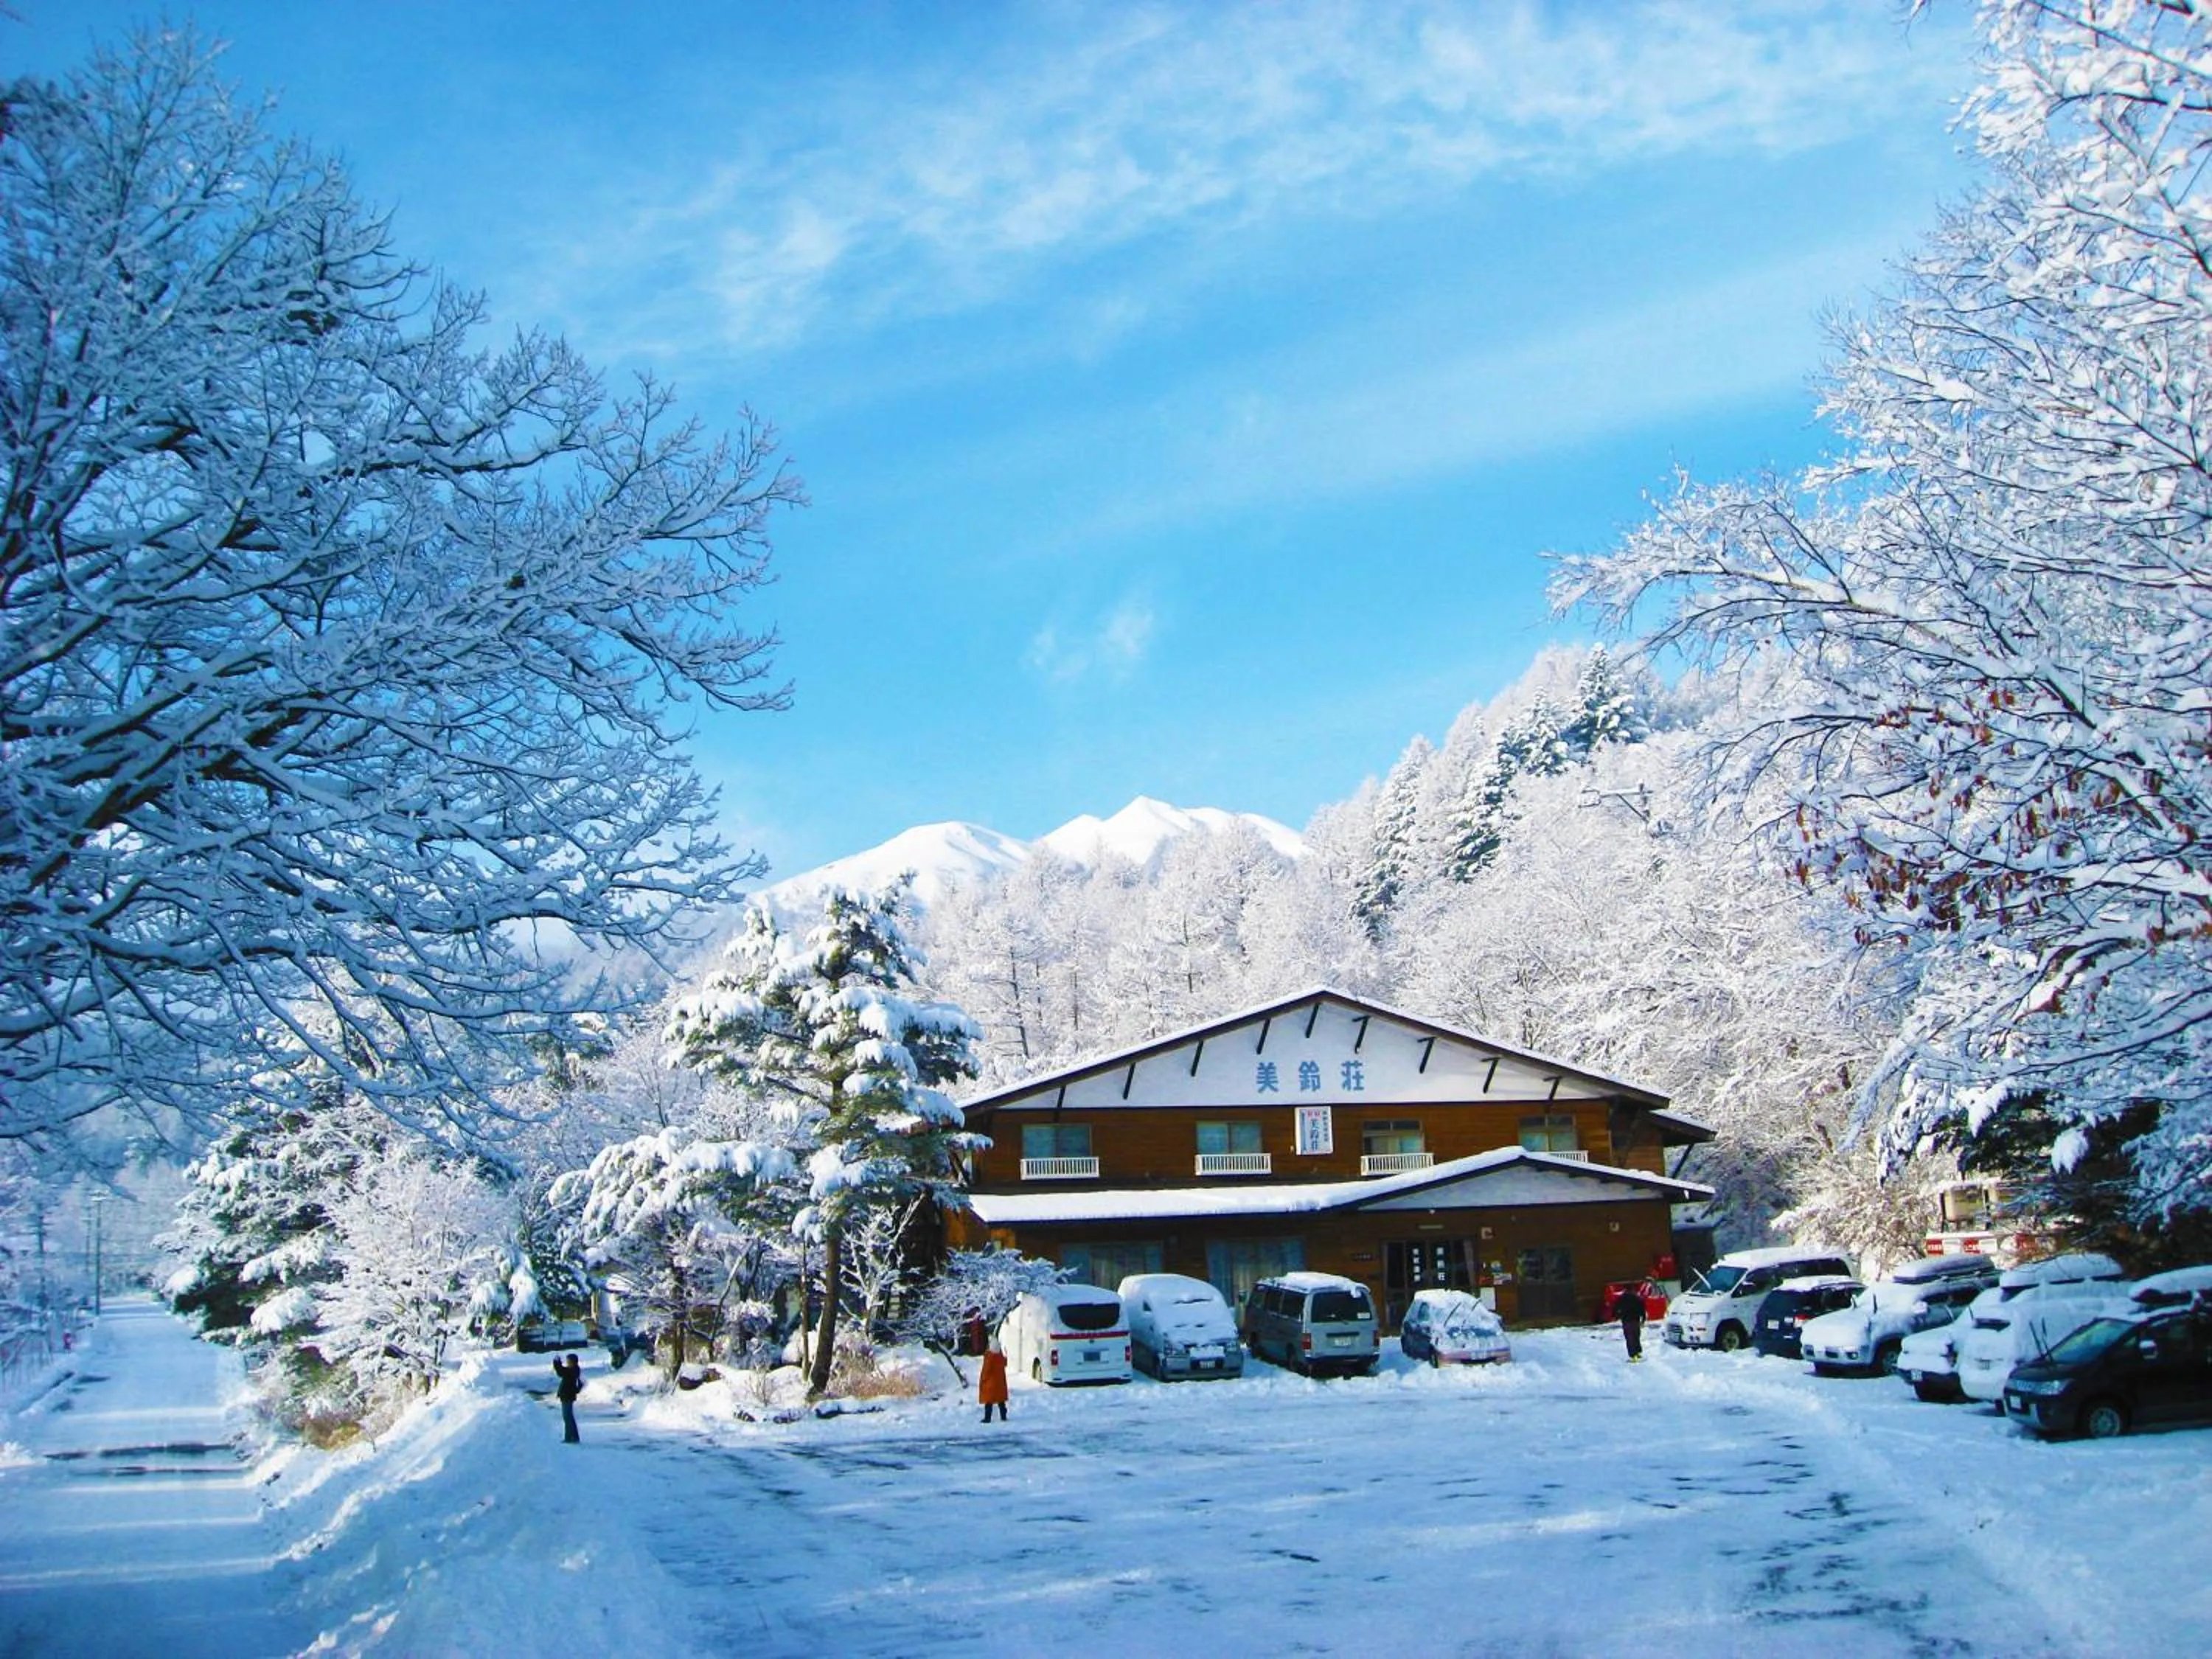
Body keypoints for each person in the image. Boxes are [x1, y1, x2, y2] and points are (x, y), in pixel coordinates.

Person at [1618, 1280, 1649, 1363]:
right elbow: (1642, 1309)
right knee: (1636, 1336)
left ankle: (1633, 1355)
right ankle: (1638, 1352)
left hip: (1626, 1320)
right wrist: (1643, 1319)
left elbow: (1616, 1308)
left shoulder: (1622, 1298)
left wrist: (1618, 1316)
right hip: (1636, 1320)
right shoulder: (1637, 1298)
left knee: (1630, 1337)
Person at [978, 1340, 1009, 1424]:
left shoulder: (989, 1357)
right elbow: (1005, 1363)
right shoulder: (1000, 1357)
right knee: (1001, 1400)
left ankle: (987, 1418)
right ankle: (1003, 1416)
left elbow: (986, 1370)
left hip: (990, 1384)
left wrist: (983, 1379)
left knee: (989, 1401)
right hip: (1000, 1383)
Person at [555, 1352, 583, 1442]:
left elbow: (561, 1372)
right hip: (568, 1396)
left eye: (568, 1362)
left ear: (573, 1362)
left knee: (567, 1417)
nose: (567, 1363)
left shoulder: (572, 1371)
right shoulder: (573, 1370)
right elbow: (562, 1371)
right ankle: (574, 1437)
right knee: (569, 1417)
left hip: (567, 1396)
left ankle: (569, 1437)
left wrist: (557, 1363)